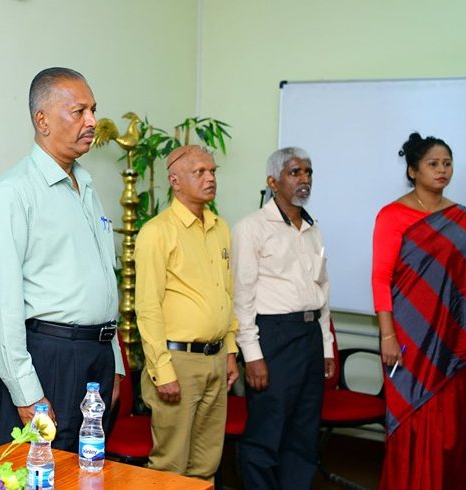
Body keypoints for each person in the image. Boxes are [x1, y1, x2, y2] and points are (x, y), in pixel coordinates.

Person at [0, 67, 124, 452]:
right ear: (42, 121)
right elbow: (1, 305)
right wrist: (25, 391)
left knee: (88, 471)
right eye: (79, 112)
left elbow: (102, 283)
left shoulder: (86, 186)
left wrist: (114, 363)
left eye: (93, 110)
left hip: (95, 356)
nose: (92, 121)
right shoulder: (13, 193)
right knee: (42, 471)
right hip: (49, 357)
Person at [372, 132, 466, 490]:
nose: (442, 170)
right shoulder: (392, 215)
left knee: (449, 431)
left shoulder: (464, 219)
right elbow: (381, 279)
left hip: (455, 343)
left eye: (447, 163)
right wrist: (387, 336)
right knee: (412, 418)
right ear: (413, 171)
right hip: (408, 341)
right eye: (433, 164)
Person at [232, 147, 335, 489]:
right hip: (274, 336)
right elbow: (242, 297)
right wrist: (253, 356)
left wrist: (326, 347)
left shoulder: (313, 229)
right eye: (295, 172)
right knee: (268, 430)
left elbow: (322, 290)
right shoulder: (251, 228)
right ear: (273, 182)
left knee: (304, 432)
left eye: (308, 172)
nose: (304, 179)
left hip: (309, 335)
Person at [134, 144, 239, 480]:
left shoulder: (221, 228)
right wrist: (162, 370)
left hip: (216, 358)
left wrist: (230, 351)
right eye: (200, 172)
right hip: (178, 362)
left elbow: (227, 293)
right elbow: (147, 307)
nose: (210, 178)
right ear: (175, 181)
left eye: (213, 172)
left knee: (207, 463)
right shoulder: (157, 232)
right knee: (170, 467)